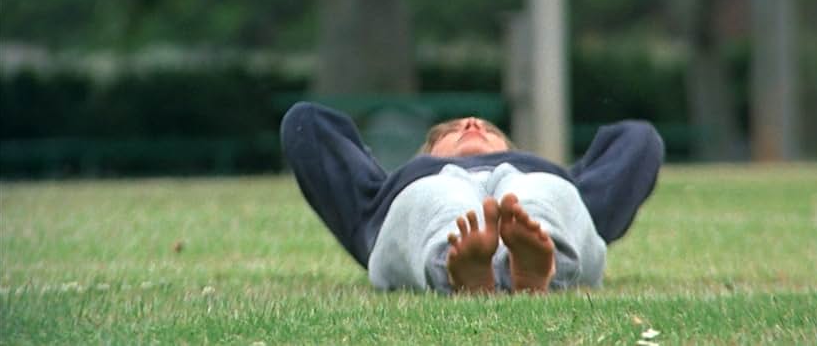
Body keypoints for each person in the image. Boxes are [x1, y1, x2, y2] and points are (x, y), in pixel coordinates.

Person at [280, 101, 664, 294]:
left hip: (538, 182)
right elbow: (307, 123)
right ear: (425, 153)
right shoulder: (384, 194)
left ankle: (538, 263)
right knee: (440, 198)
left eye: (486, 127)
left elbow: (637, 141)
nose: (472, 123)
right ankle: (457, 265)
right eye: (450, 130)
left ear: (509, 147)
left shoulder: (550, 175)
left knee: (536, 199)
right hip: (424, 187)